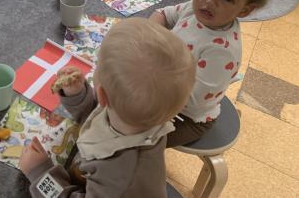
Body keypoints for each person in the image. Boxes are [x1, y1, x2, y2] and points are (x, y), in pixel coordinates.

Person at [19, 18, 196, 197]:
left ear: (102, 95)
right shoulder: (145, 116)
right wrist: (78, 95)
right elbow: (101, 117)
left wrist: (40, 172)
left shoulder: (117, 178)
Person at [149, 0, 279, 147]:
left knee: (135, 137)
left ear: (244, 10)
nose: (210, 2)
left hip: (188, 118)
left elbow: (192, 102)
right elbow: (163, 14)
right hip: (165, 86)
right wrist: (148, 35)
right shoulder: (194, 8)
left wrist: (152, 76)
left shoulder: (221, 51)